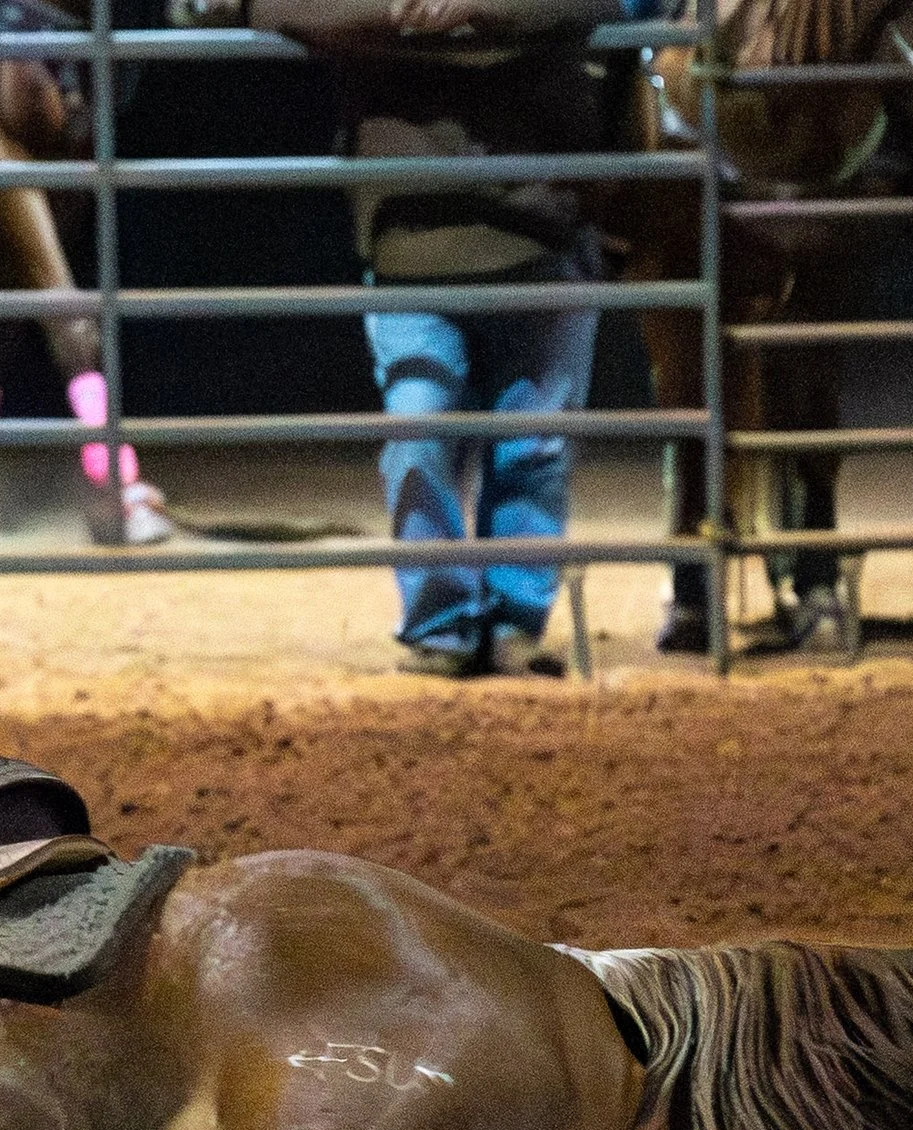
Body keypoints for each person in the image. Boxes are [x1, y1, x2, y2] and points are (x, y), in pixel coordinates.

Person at [252, 0, 632, 676]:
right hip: (416, 237)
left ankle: (508, 621)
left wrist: (471, 8)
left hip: (539, 223)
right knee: (420, 429)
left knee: (532, 440)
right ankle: (444, 622)